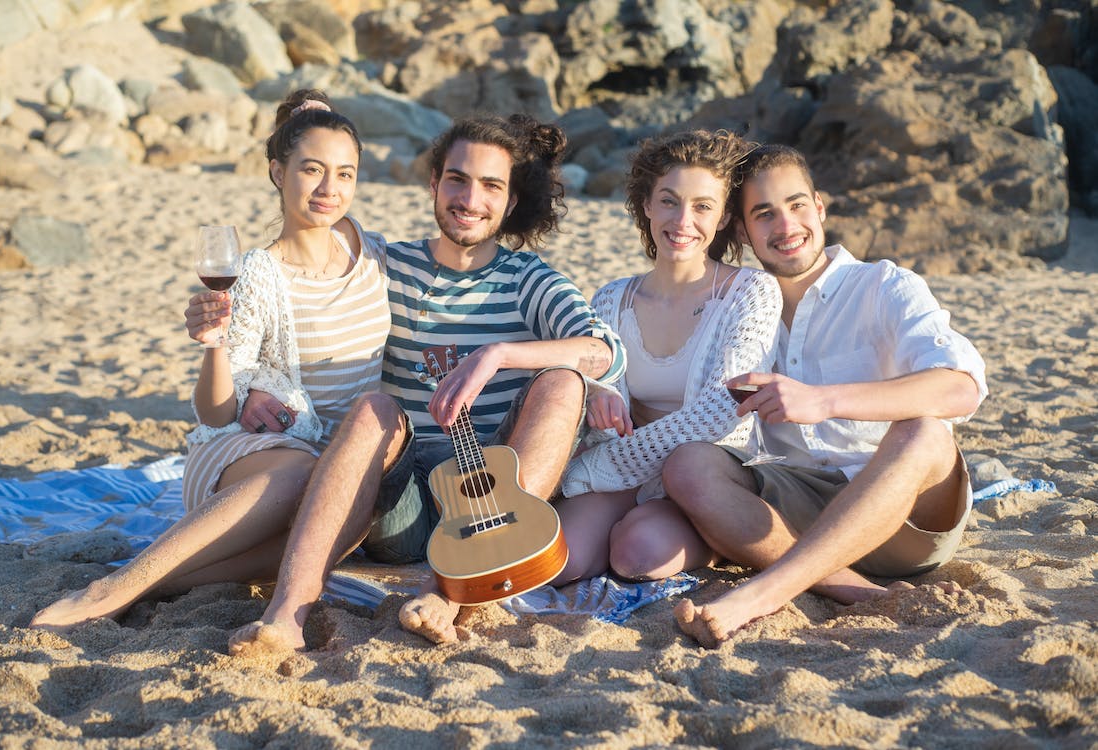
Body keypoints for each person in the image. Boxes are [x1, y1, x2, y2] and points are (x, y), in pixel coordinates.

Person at [227, 113, 626, 653]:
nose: (470, 198)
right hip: (406, 497)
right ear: (434, 184)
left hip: (498, 494)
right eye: (457, 179)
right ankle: (288, 614)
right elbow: (305, 293)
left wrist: (499, 353)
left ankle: (453, 591)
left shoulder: (528, 280)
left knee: (562, 383)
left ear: (509, 203)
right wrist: (255, 380)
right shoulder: (388, 265)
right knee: (374, 406)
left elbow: (603, 349)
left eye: (491, 186)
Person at [30, 89, 390, 629]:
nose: (328, 189)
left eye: (344, 174)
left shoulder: (375, 252)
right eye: (311, 169)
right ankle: (112, 589)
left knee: (340, 527)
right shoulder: (258, 273)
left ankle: (169, 581)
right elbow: (216, 413)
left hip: (335, 460)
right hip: (249, 457)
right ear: (277, 171)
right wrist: (216, 346)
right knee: (304, 476)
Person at [665, 144, 988, 648]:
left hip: (904, 514)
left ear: (820, 206)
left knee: (924, 431)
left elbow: (962, 387)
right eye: (764, 214)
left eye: (796, 205)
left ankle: (762, 594)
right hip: (797, 512)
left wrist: (825, 400)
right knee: (688, 465)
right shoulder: (739, 310)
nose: (786, 225)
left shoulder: (883, 285)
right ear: (743, 231)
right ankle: (849, 588)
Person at [551, 130, 782, 586]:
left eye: (702, 206)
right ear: (647, 206)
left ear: (722, 218)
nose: (683, 220)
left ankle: (716, 540)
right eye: (669, 201)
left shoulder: (751, 292)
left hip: (702, 475)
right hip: (625, 471)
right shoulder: (612, 297)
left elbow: (724, 407)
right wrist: (596, 394)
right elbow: (601, 378)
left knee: (638, 554)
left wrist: (601, 468)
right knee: (561, 562)